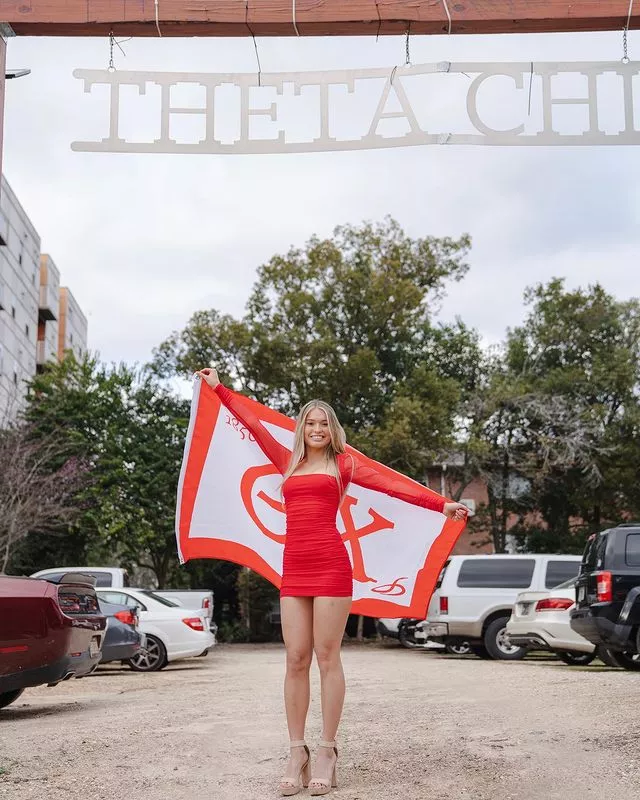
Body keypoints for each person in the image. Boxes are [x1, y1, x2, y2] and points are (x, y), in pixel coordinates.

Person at [197, 368, 468, 796]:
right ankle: (295, 750)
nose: (318, 429)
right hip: (294, 568)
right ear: (302, 428)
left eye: (325, 423)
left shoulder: (344, 464)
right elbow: (250, 422)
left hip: (331, 565)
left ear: (333, 429)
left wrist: (441, 503)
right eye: (311, 422)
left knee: (327, 658)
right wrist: (219, 390)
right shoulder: (286, 461)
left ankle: (327, 749)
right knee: (295, 659)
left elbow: (393, 485)